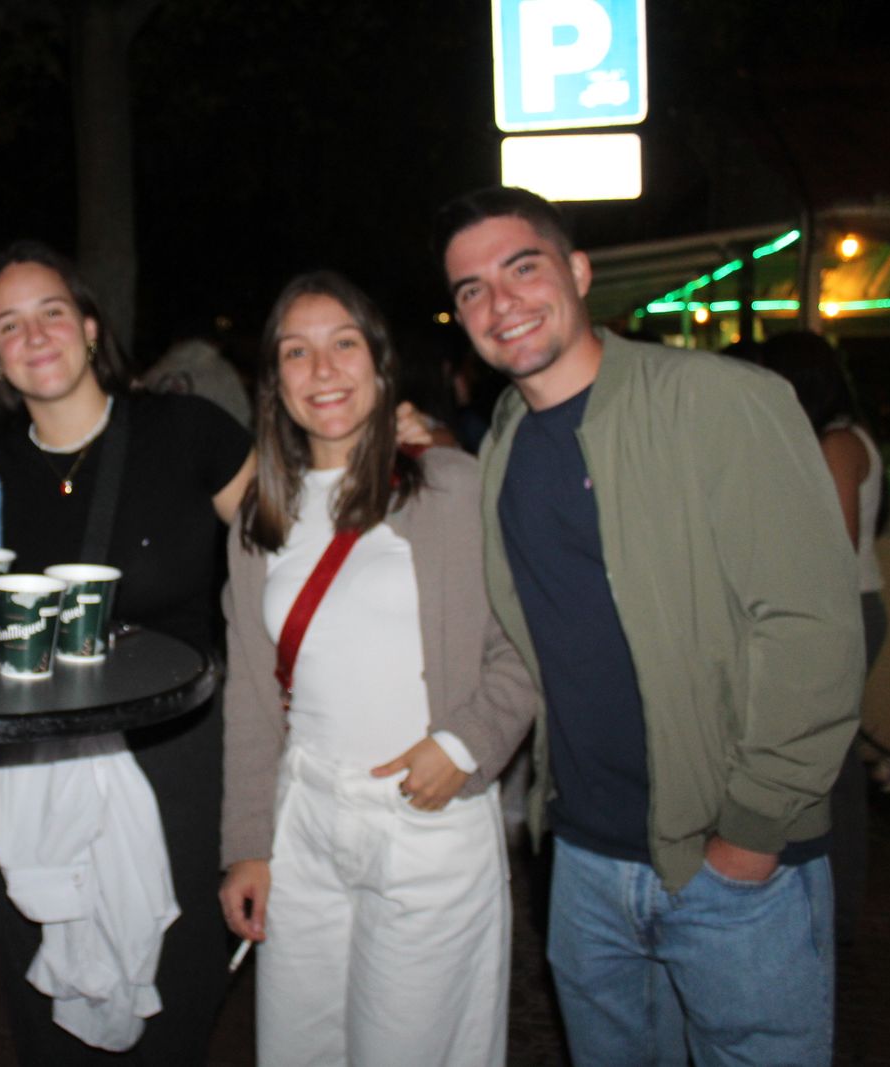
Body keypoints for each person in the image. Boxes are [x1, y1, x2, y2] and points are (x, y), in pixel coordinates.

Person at [435, 185, 865, 1066]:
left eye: (523, 267)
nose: (500, 301)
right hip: (585, 862)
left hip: (735, 860)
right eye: (472, 288)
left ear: (579, 271)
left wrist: (750, 831)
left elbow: (813, 627)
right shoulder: (505, 439)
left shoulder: (717, 400)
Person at [216, 271, 536, 1066]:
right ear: (275, 381)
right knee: (298, 1048)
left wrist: (463, 746)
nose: (322, 370)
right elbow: (253, 698)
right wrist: (247, 844)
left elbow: (528, 643)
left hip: (424, 820)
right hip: (308, 823)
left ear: (381, 364)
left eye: (343, 344)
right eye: (297, 351)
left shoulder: (454, 488)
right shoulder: (264, 515)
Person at [0, 240, 253, 1064]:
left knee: (174, 980)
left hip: (178, 756)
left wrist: (401, 456)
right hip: (30, 766)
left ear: (90, 327)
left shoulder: (184, 430)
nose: (36, 334)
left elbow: (295, 541)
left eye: (52, 311)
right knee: (42, 989)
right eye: (9, 323)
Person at [760, 330, 888, 943]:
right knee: (834, 762)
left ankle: (834, 908)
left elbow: (831, 544)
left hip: (845, 611)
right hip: (851, 607)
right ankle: (833, 902)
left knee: (832, 767)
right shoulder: (843, 435)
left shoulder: (837, 441)